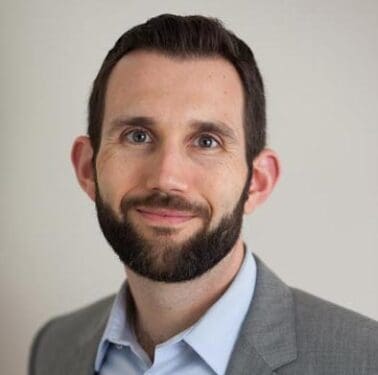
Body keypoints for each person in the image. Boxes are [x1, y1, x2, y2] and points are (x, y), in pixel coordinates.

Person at [29, 14, 378, 375]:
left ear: (257, 181)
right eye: (137, 136)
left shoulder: (365, 360)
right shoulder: (54, 348)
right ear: (87, 168)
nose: (167, 178)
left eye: (206, 142)